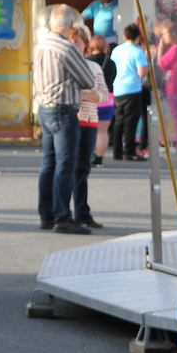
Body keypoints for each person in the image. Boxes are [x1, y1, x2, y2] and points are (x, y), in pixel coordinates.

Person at [32, 4, 96, 234]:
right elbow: (88, 79)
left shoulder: (41, 46)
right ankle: (62, 217)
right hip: (63, 109)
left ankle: (46, 214)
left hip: (44, 108)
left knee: (48, 164)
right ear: (71, 25)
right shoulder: (66, 48)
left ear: (51, 23)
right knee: (65, 165)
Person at [69, 25, 106, 231]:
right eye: (71, 41)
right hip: (70, 120)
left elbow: (104, 93)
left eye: (77, 41)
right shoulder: (64, 65)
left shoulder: (94, 67)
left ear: (85, 45)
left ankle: (82, 213)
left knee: (82, 168)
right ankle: (63, 213)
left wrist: (89, 95)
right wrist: (85, 94)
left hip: (89, 121)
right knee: (67, 168)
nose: (74, 45)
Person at [108, 24, 151, 161]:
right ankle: (129, 151)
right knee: (130, 122)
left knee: (119, 120)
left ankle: (117, 151)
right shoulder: (138, 52)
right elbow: (142, 72)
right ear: (138, 37)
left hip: (118, 88)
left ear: (124, 36)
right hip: (133, 89)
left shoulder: (116, 50)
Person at [155, 21, 177, 156]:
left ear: (173, 34)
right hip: (175, 86)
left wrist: (160, 49)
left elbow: (161, 64)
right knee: (176, 116)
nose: (163, 38)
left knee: (176, 117)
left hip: (172, 87)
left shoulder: (176, 49)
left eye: (165, 34)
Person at [86, 34, 116, 165]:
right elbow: (113, 78)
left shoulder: (87, 62)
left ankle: (87, 155)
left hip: (90, 98)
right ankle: (99, 159)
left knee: (88, 130)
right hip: (107, 99)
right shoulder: (110, 62)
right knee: (102, 131)